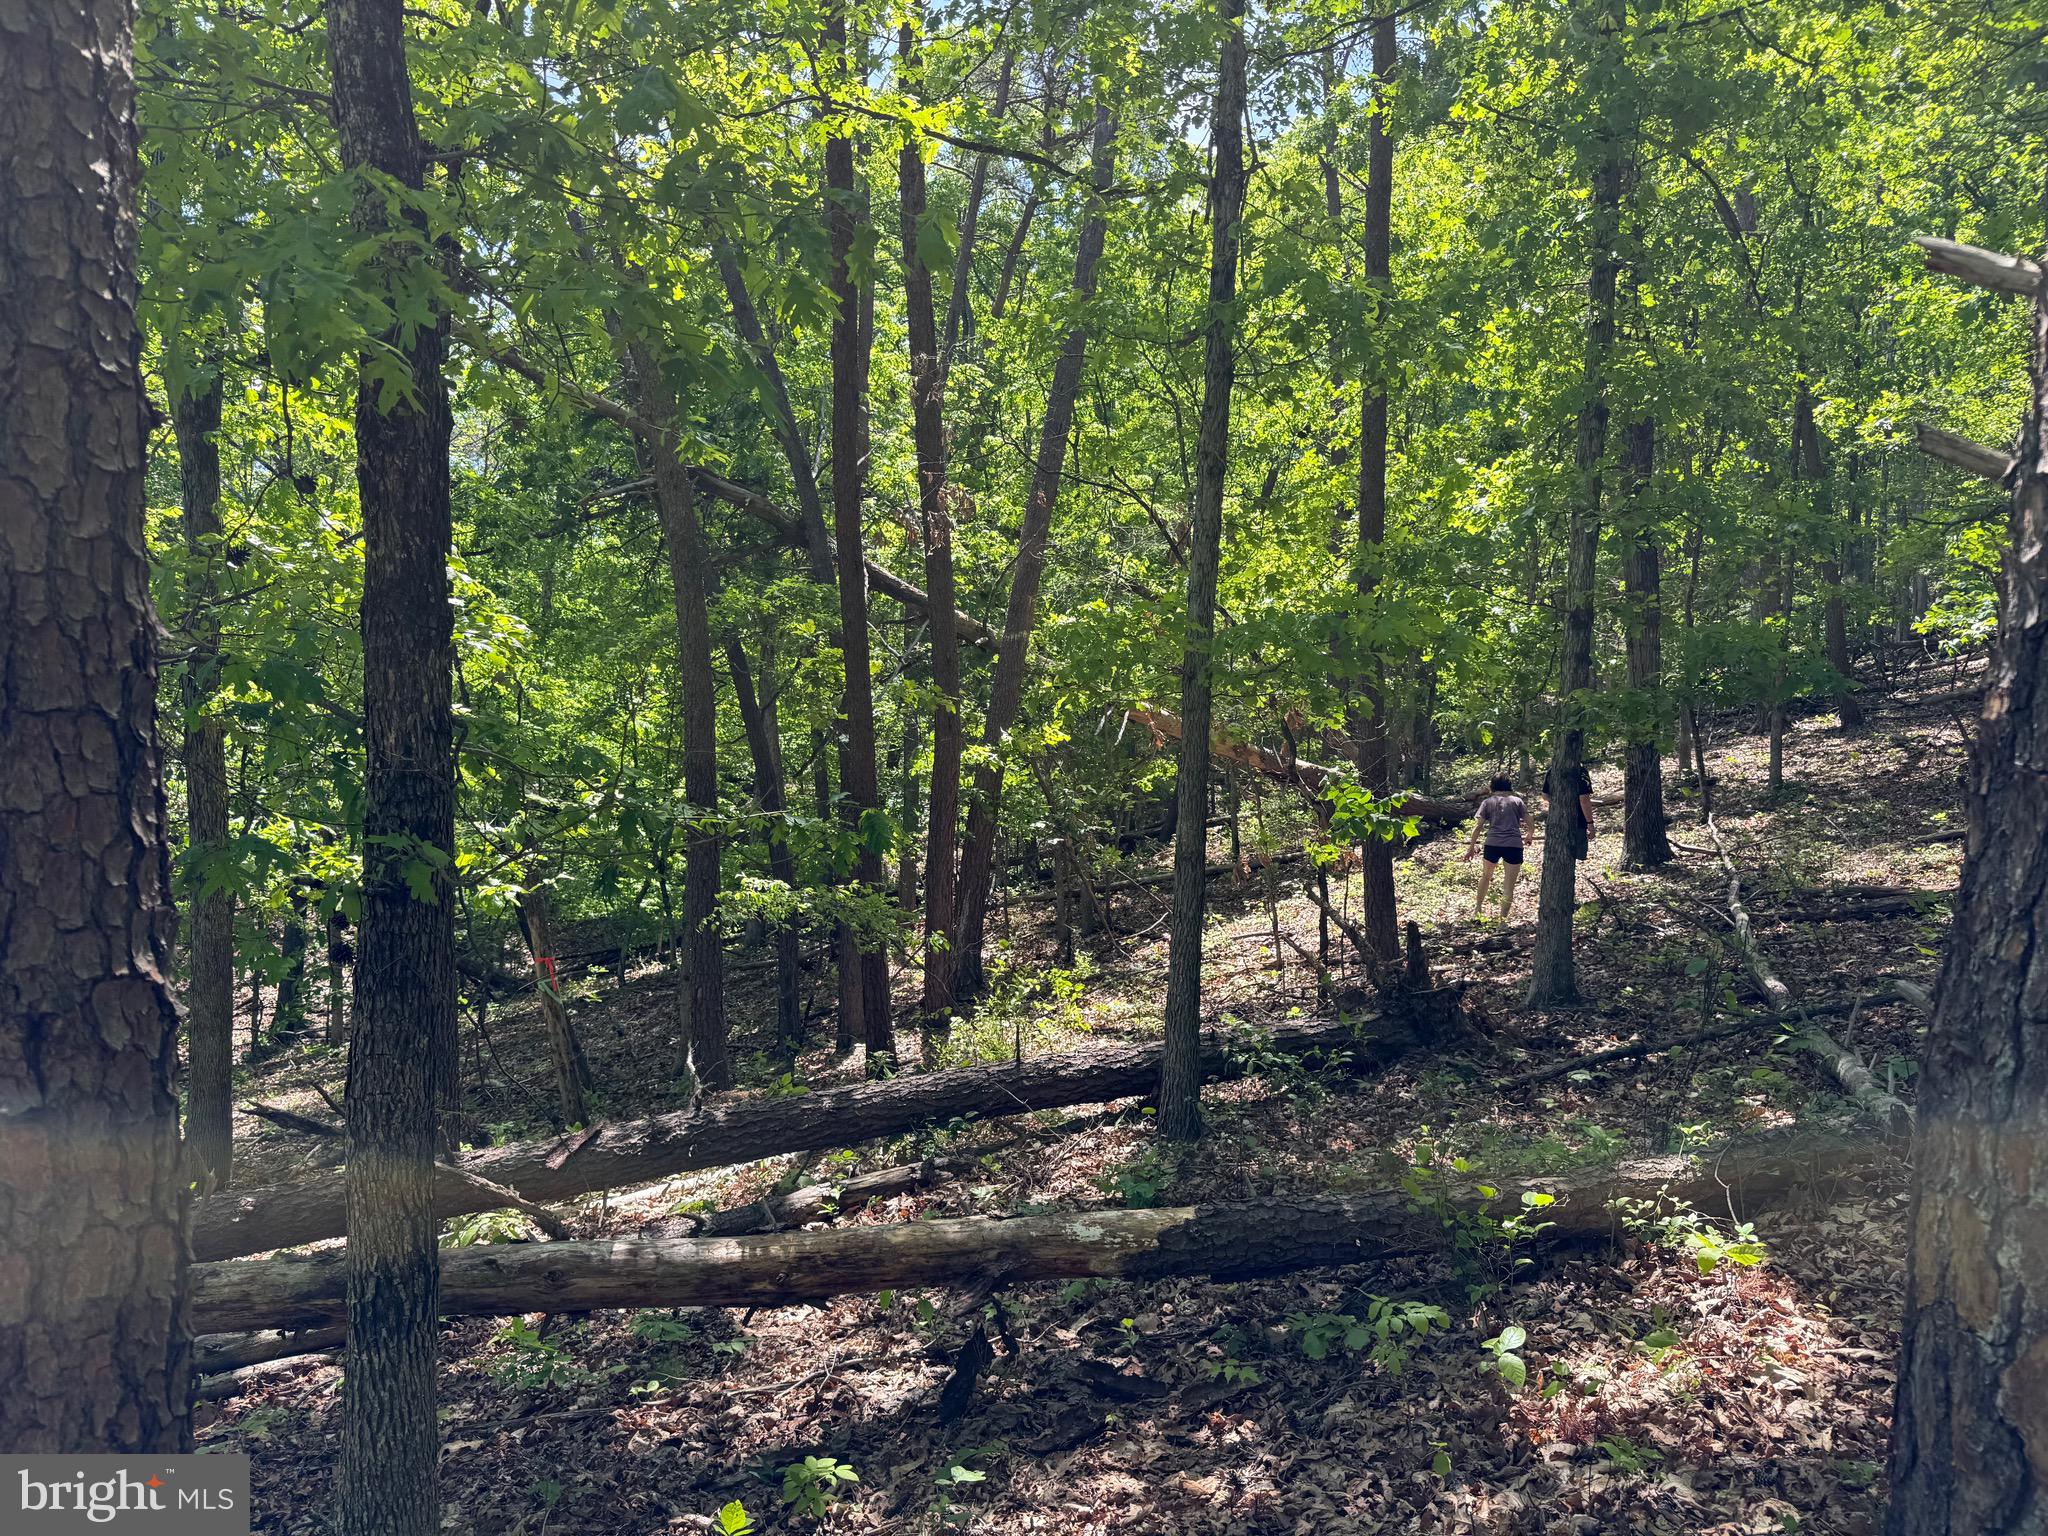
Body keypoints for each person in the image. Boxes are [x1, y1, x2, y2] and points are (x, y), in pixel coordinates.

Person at [1464, 774, 1532, 919]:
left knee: (1486, 877)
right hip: (1514, 845)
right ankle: (1502, 920)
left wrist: (1471, 848)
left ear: (1492, 786)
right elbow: (1529, 821)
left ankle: (1477, 910)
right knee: (1509, 885)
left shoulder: (1488, 802)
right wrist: (1529, 833)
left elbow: (1478, 826)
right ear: (1509, 785)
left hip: (1492, 844)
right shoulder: (1517, 801)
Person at [1544, 758, 1598, 862]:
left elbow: (1545, 795)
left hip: (1556, 822)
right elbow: (1584, 800)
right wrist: (1590, 823)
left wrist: (1558, 804)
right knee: (1573, 856)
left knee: (1558, 858)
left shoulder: (1552, 771)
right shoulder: (1581, 772)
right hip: (1577, 823)